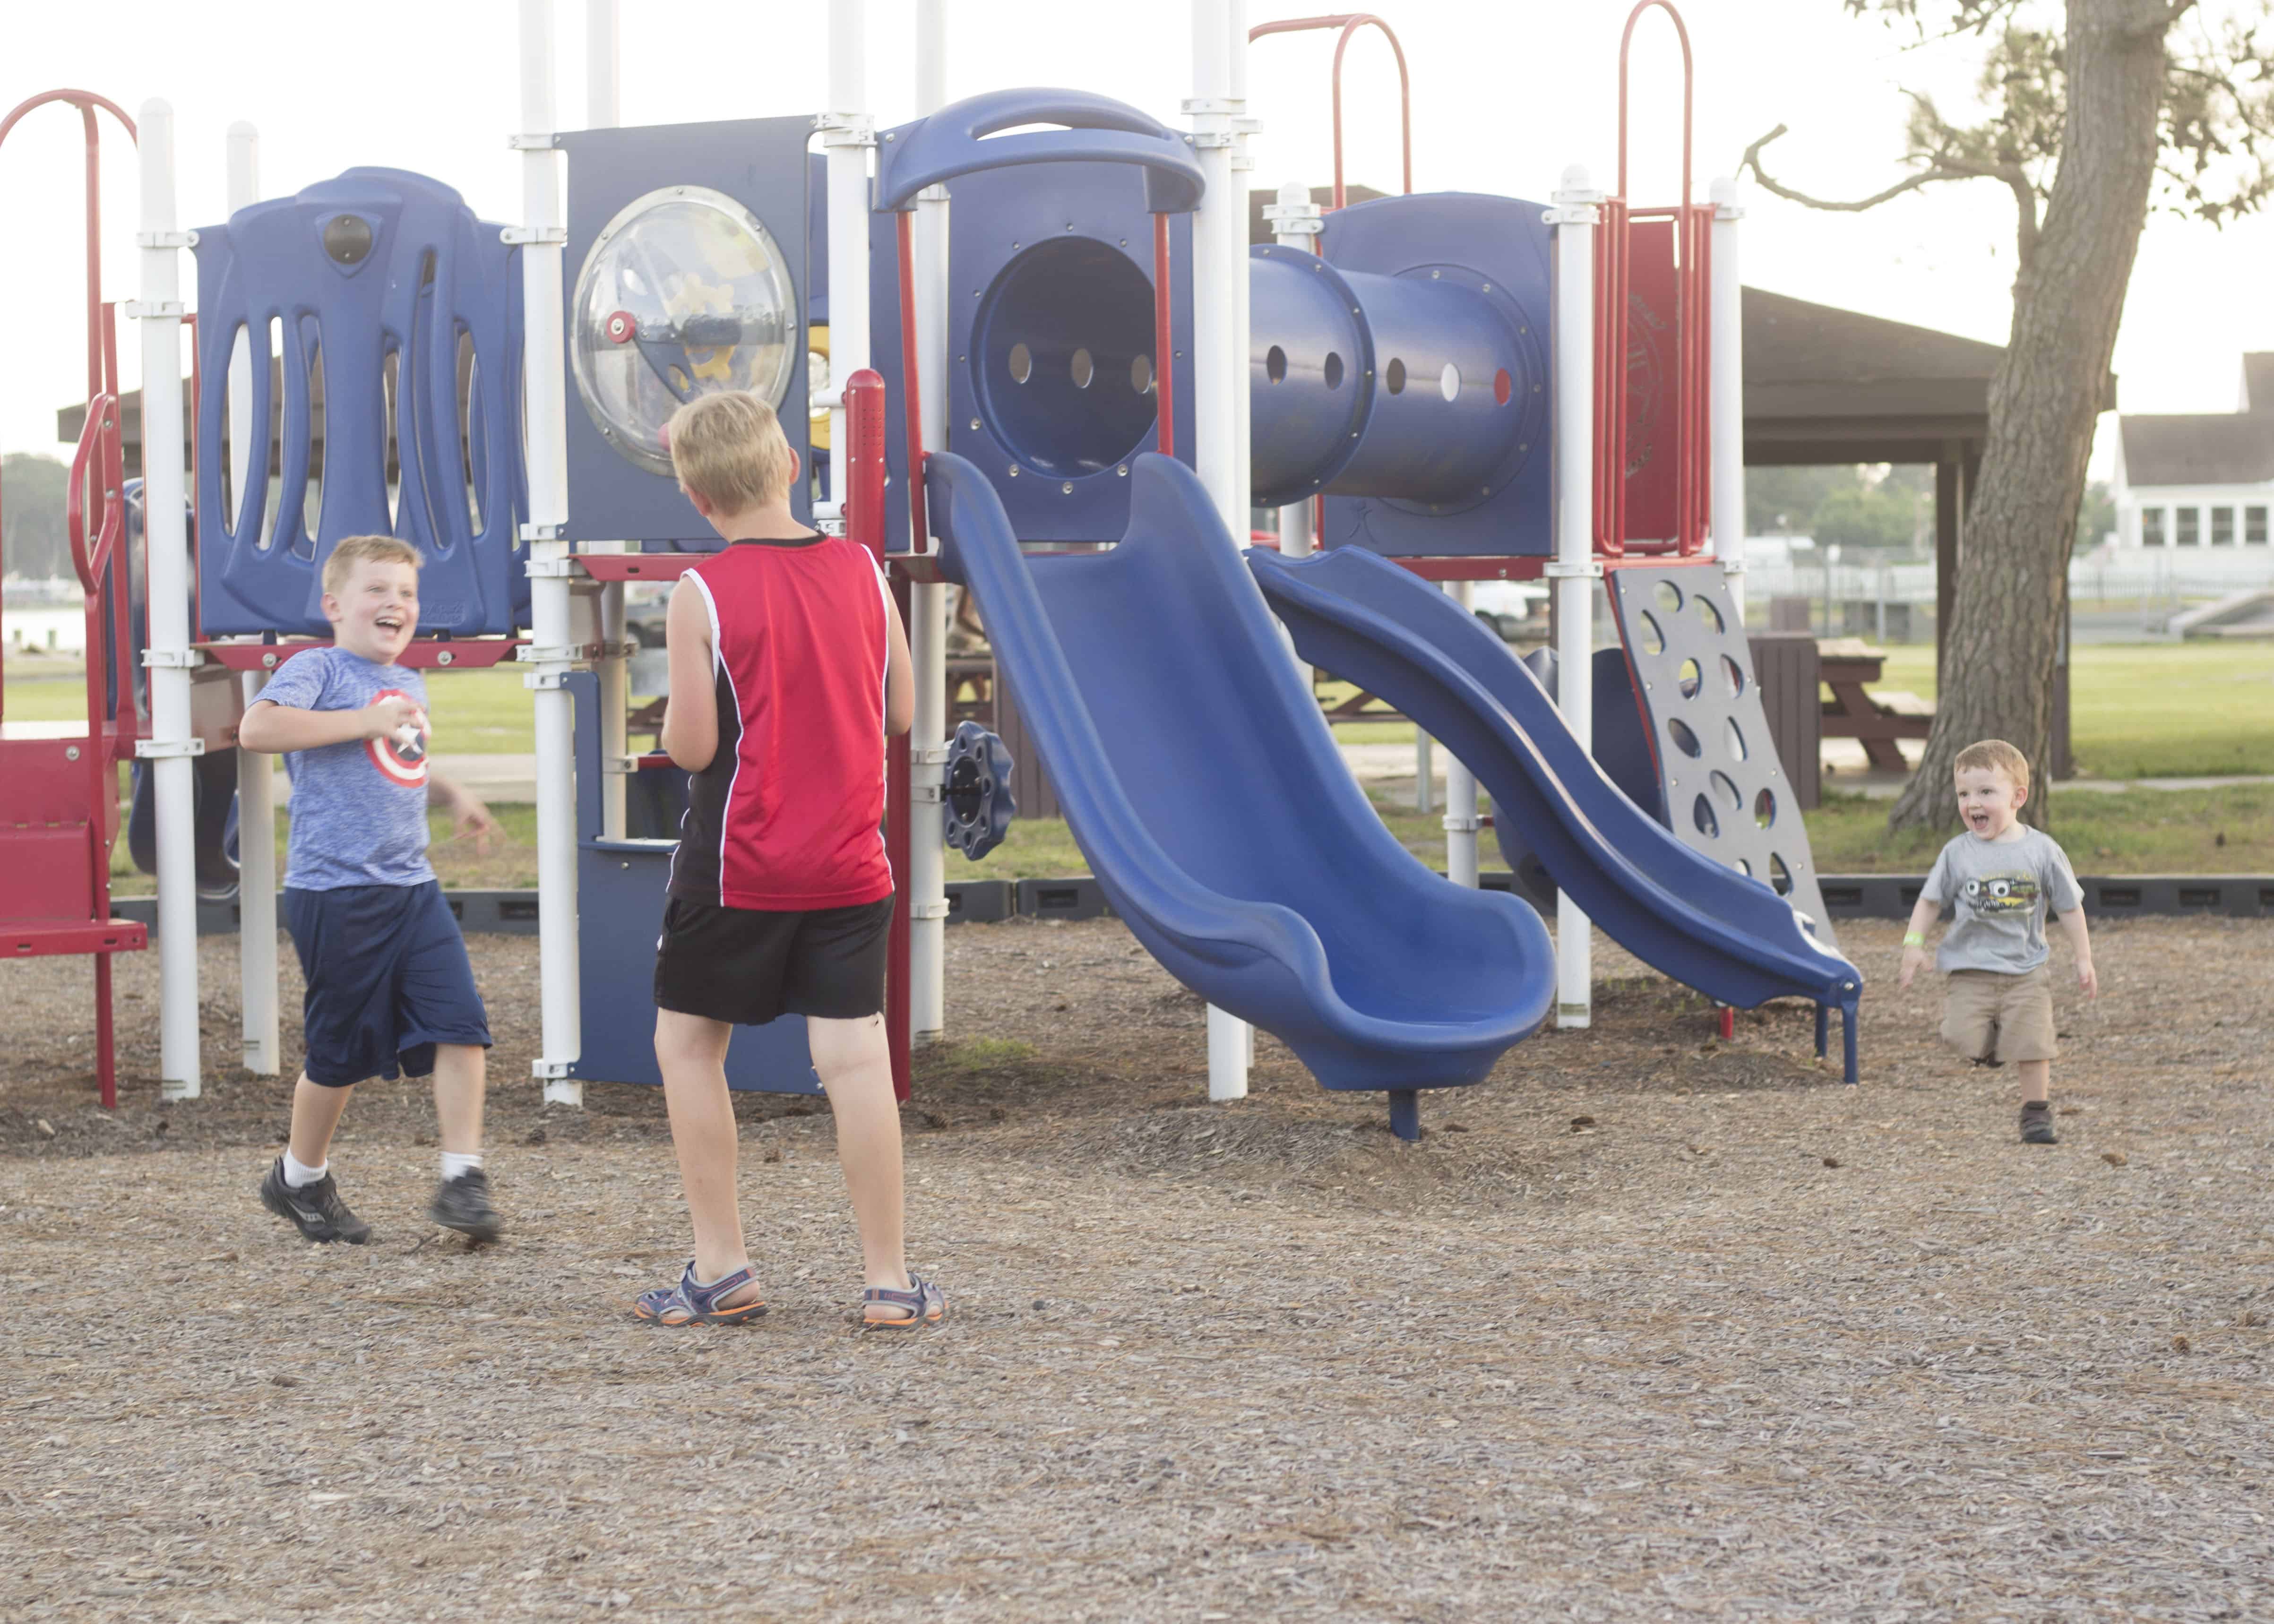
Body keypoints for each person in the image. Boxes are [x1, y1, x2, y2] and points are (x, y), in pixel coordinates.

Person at [635, 390, 940, 1331]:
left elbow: (691, 748)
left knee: (689, 1044)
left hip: (739, 863)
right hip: (852, 860)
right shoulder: (861, 568)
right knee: (854, 1057)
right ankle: (889, 1277)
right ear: (790, 467)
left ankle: (722, 1264)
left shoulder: (700, 593)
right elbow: (897, 714)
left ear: (698, 499)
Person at [240, 534, 505, 1243]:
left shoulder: (409, 681)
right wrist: (362, 719)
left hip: (411, 885)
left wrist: (450, 790)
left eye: (408, 594)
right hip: (337, 893)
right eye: (378, 591)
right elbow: (257, 727)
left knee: (461, 1025)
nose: (396, 604)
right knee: (341, 1056)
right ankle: (297, 1178)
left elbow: (397, 753)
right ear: (335, 605)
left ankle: (462, 1177)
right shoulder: (318, 667)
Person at [1899, 739, 2098, 1143]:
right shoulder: (1957, 853)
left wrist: (2083, 958)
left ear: (2018, 797)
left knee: (2033, 1043)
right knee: (1960, 1035)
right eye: (1964, 793)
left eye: (1986, 792)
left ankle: (2036, 1113)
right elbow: (1930, 901)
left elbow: (2070, 907)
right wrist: (1914, 943)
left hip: (2025, 969)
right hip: (1969, 970)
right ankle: (1989, 1046)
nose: (1973, 802)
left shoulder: (2042, 851)